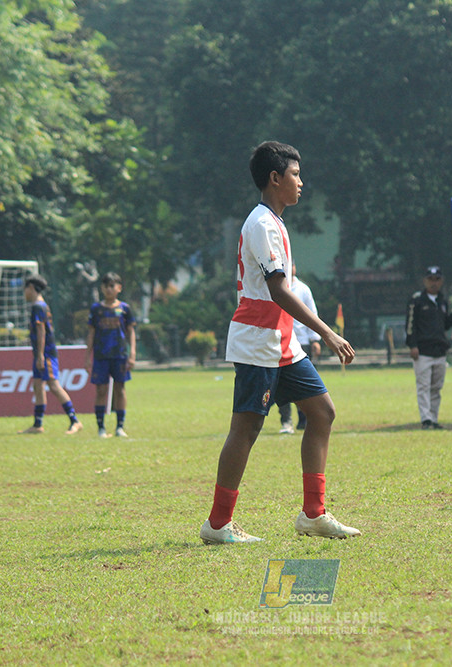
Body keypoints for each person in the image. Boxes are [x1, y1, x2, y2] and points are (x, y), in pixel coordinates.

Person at [199, 141, 360, 545]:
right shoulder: (263, 224)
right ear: (275, 178)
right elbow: (279, 291)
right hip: (258, 342)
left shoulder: (273, 221)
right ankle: (218, 524)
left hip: (281, 344)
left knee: (321, 412)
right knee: (247, 428)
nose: (301, 183)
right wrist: (327, 331)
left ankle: (314, 514)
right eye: (295, 174)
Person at [19, 275, 82, 435]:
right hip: (41, 353)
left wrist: (40, 355)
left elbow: (41, 332)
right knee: (38, 385)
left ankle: (75, 420)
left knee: (53, 385)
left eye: (26, 288)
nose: (24, 292)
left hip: (46, 353)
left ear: (31, 288)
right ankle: (37, 424)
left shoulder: (38, 307)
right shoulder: (39, 306)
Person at [405, 266, 452, 429]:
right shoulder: (417, 301)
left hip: (439, 350)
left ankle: (434, 418)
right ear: (425, 281)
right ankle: (426, 419)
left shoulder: (442, 301)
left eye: (437, 280)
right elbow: (410, 325)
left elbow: (446, 324)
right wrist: (412, 345)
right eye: (430, 280)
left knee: (436, 387)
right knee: (423, 386)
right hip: (422, 350)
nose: (433, 283)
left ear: (441, 281)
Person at [84, 272, 137, 438]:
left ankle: (119, 427)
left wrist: (132, 352)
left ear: (119, 288)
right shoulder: (96, 309)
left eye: (112, 285)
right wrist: (87, 356)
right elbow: (91, 333)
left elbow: (131, 331)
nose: (109, 289)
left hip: (120, 355)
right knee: (101, 390)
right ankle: (101, 427)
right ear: (102, 288)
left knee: (120, 389)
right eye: (106, 286)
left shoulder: (125, 309)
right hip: (101, 355)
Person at [278, 263, 322, 434]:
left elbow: (312, 313)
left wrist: (315, 339)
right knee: (282, 384)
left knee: (303, 384)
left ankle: (304, 420)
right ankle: (286, 421)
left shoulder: (303, 289)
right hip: (282, 341)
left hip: (301, 341)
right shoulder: (276, 287)